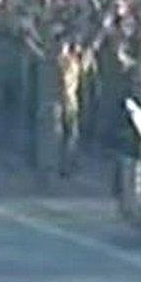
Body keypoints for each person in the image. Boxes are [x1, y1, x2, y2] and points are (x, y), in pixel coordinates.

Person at [55, 40, 95, 178]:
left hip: (70, 102)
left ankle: (68, 164)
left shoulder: (73, 62)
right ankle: (63, 164)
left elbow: (87, 58)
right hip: (64, 101)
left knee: (71, 134)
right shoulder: (66, 63)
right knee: (64, 135)